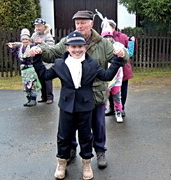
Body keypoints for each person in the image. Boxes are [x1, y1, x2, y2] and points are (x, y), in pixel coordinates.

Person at [29, 10, 129, 169]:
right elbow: (52, 53)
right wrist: (39, 49)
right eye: (77, 23)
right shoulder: (68, 41)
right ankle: (70, 150)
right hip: (74, 96)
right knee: (70, 126)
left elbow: (120, 59)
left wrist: (122, 53)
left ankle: (100, 151)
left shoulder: (103, 43)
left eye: (83, 22)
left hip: (96, 94)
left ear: (91, 23)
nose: (80, 26)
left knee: (98, 126)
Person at [104, 19, 134, 118]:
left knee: (122, 90)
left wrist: (132, 41)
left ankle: (121, 109)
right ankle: (112, 108)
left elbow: (130, 51)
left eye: (107, 26)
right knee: (110, 89)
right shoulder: (103, 37)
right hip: (110, 70)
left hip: (123, 69)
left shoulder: (122, 37)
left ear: (113, 27)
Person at [8, 28, 41, 107]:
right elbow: (17, 55)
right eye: (23, 39)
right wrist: (12, 48)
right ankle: (29, 99)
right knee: (26, 85)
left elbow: (37, 48)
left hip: (30, 68)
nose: (25, 41)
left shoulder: (32, 46)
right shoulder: (20, 48)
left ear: (29, 39)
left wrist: (37, 43)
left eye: (26, 39)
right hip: (23, 69)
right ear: (21, 40)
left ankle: (33, 99)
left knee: (31, 84)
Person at [101, 20, 124, 123]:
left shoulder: (118, 45)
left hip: (117, 77)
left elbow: (127, 55)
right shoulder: (100, 48)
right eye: (105, 37)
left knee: (117, 96)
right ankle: (101, 112)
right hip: (105, 78)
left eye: (109, 36)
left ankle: (118, 111)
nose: (107, 39)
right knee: (104, 97)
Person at [31, 18, 55, 104]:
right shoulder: (34, 35)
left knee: (47, 80)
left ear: (44, 26)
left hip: (46, 61)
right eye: (36, 26)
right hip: (38, 61)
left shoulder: (48, 35)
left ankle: (50, 97)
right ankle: (43, 96)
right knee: (40, 79)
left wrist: (42, 42)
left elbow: (52, 47)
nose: (38, 28)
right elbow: (30, 44)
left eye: (40, 26)